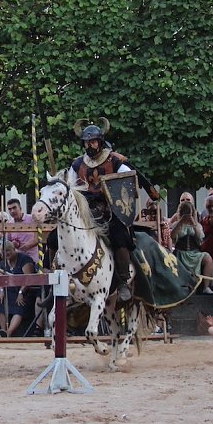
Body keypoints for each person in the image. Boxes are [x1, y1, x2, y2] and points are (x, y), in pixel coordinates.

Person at [69, 118, 160, 301]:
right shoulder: (77, 164)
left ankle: (123, 281)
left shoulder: (117, 161)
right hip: (87, 212)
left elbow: (127, 185)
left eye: (93, 141)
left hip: (110, 212)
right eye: (87, 142)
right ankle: (55, 277)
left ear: (100, 142)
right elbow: (72, 189)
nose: (90, 145)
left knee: (119, 236)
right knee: (57, 237)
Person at [171, 201, 213, 294]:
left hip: (194, 253)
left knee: (208, 259)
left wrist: (193, 223)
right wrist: (181, 222)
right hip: (180, 253)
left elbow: (200, 237)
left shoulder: (197, 225)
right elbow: (173, 236)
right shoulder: (176, 224)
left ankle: (206, 287)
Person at [0, 238, 36, 337]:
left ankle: (9, 333)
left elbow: (28, 278)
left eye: (8, 250)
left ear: (14, 249)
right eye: (4, 252)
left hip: (25, 290)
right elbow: (1, 279)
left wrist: (21, 293)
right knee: (0, 303)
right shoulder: (2, 263)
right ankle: (3, 330)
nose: (7, 253)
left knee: (19, 306)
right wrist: (1, 291)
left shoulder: (24, 259)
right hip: (9, 291)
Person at [6, 198, 39, 262]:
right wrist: (12, 244)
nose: (12, 211)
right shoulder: (9, 224)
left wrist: (26, 246)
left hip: (32, 259)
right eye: (9, 209)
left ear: (20, 208)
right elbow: (8, 242)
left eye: (14, 208)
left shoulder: (32, 219)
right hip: (17, 261)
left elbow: (38, 238)